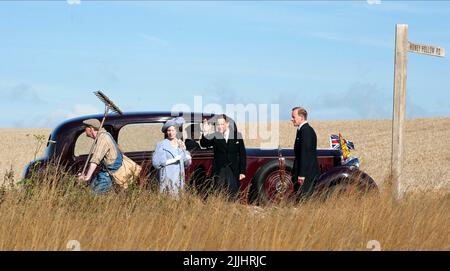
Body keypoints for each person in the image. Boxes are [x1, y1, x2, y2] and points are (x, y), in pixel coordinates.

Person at [199, 114, 246, 200]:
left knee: (233, 195)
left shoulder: (237, 135)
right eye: (218, 124)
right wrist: (205, 132)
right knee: (219, 194)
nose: (219, 127)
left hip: (233, 170)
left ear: (227, 124)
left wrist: (242, 171)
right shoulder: (215, 135)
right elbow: (204, 143)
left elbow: (242, 154)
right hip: (219, 170)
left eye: (222, 124)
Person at [77, 118, 123, 194]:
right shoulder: (103, 136)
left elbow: (95, 159)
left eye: (86, 128)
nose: (85, 130)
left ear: (91, 129)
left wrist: (87, 177)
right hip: (105, 172)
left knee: (92, 197)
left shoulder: (103, 138)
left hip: (109, 175)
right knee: (89, 192)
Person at [152, 117, 192, 195]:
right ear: (166, 132)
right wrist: (173, 160)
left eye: (173, 130)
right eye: (169, 130)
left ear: (176, 131)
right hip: (167, 177)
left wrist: (187, 155)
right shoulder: (162, 144)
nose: (171, 133)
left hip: (179, 179)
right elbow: (156, 163)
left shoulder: (180, 143)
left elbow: (186, 163)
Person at [290, 107, 320, 200]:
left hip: (306, 175)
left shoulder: (306, 131)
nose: (291, 119)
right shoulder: (301, 130)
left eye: (293, 117)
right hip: (303, 174)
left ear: (301, 117)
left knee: (304, 201)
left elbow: (305, 154)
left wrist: (302, 175)